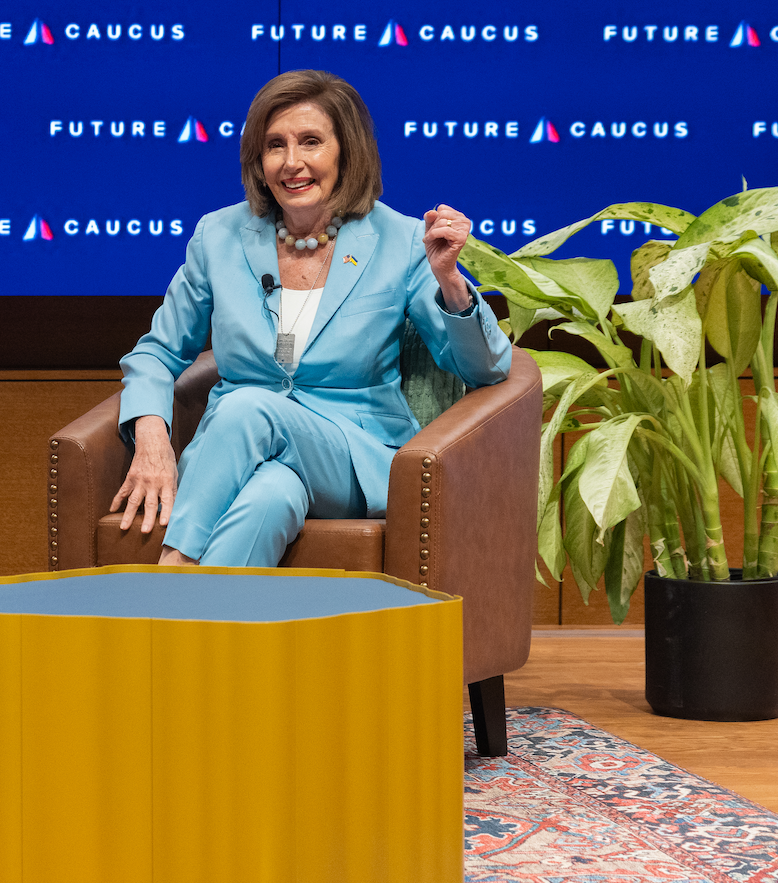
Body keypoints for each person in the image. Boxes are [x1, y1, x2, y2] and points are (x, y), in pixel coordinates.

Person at [112, 69, 510, 567]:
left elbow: (487, 368)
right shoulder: (218, 236)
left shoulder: (400, 240)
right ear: (258, 160)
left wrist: (450, 279)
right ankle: (199, 635)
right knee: (271, 496)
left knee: (247, 406)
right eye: (275, 145)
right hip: (241, 456)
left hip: (351, 456)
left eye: (311, 142)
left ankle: (169, 572)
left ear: (347, 152)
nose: (292, 162)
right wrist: (152, 436)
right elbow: (158, 350)